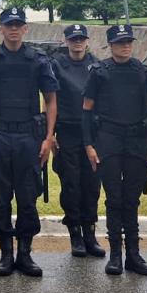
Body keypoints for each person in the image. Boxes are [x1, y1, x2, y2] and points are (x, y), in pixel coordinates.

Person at [0, 7, 58, 278]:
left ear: (26, 28)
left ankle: (25, 254)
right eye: (9, 25)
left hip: (29, 137)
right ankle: (6, 255)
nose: (14, 29)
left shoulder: (38, 60)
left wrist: (48, 136)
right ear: (1, 28)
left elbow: (51, 99)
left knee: (28, 196)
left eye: (19, 24)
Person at [83, 24, 147, 277]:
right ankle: (116, 254)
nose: (125, 46)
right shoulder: (99, 72)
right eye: (119, 42)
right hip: (109, 141)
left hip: (137, 141)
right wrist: (89, 145)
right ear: (111, 45)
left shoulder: (143, 72)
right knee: (114, 199)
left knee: (132, 200)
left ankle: (134, 256)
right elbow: (86, 111)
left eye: (128, 42)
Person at [49, 24, 104, 258]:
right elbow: (49, 99)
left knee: (91, 184)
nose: (77, 42)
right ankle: (75, 234)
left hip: (93, 132)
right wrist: (49, 134)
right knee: (71, 184)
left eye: (81, 38)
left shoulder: (98, 65)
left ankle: (90, 233)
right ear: (66, 41)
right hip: (67, 132)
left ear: (87, 41)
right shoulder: (57, 65)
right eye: (73, 39)